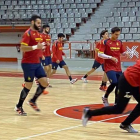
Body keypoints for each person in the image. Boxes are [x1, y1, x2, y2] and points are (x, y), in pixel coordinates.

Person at [82, 60, 140, 133]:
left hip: (133, 81)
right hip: (127, 82)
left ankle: (126, 124)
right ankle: (89, 113)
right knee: (118, 109)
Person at [15, 15, 48, 115]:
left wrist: (41, 50)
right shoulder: (27, 34)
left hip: (37, 63)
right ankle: (18, 106)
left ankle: (33, 100)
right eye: (38, 23)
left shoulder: (38, 34)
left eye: (40, 23)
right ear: (32, 22)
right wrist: (35, 47)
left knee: (44, 83)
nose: (40, 25)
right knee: (28, 85)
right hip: (28, 63)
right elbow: (22, 48)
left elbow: (39, 47)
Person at [98, 27, 128, 106]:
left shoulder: (119, 42)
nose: (117, 36)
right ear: (112, 33)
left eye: (118, 34)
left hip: (118, 67)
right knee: (114, 82)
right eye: (116, 34)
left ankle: (116, 102)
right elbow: (100, 54)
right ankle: (105, 97)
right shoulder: (105, 42)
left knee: (119, 84)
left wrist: (126, 53)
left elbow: (123, 52)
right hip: (109, 67)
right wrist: (110, 57)